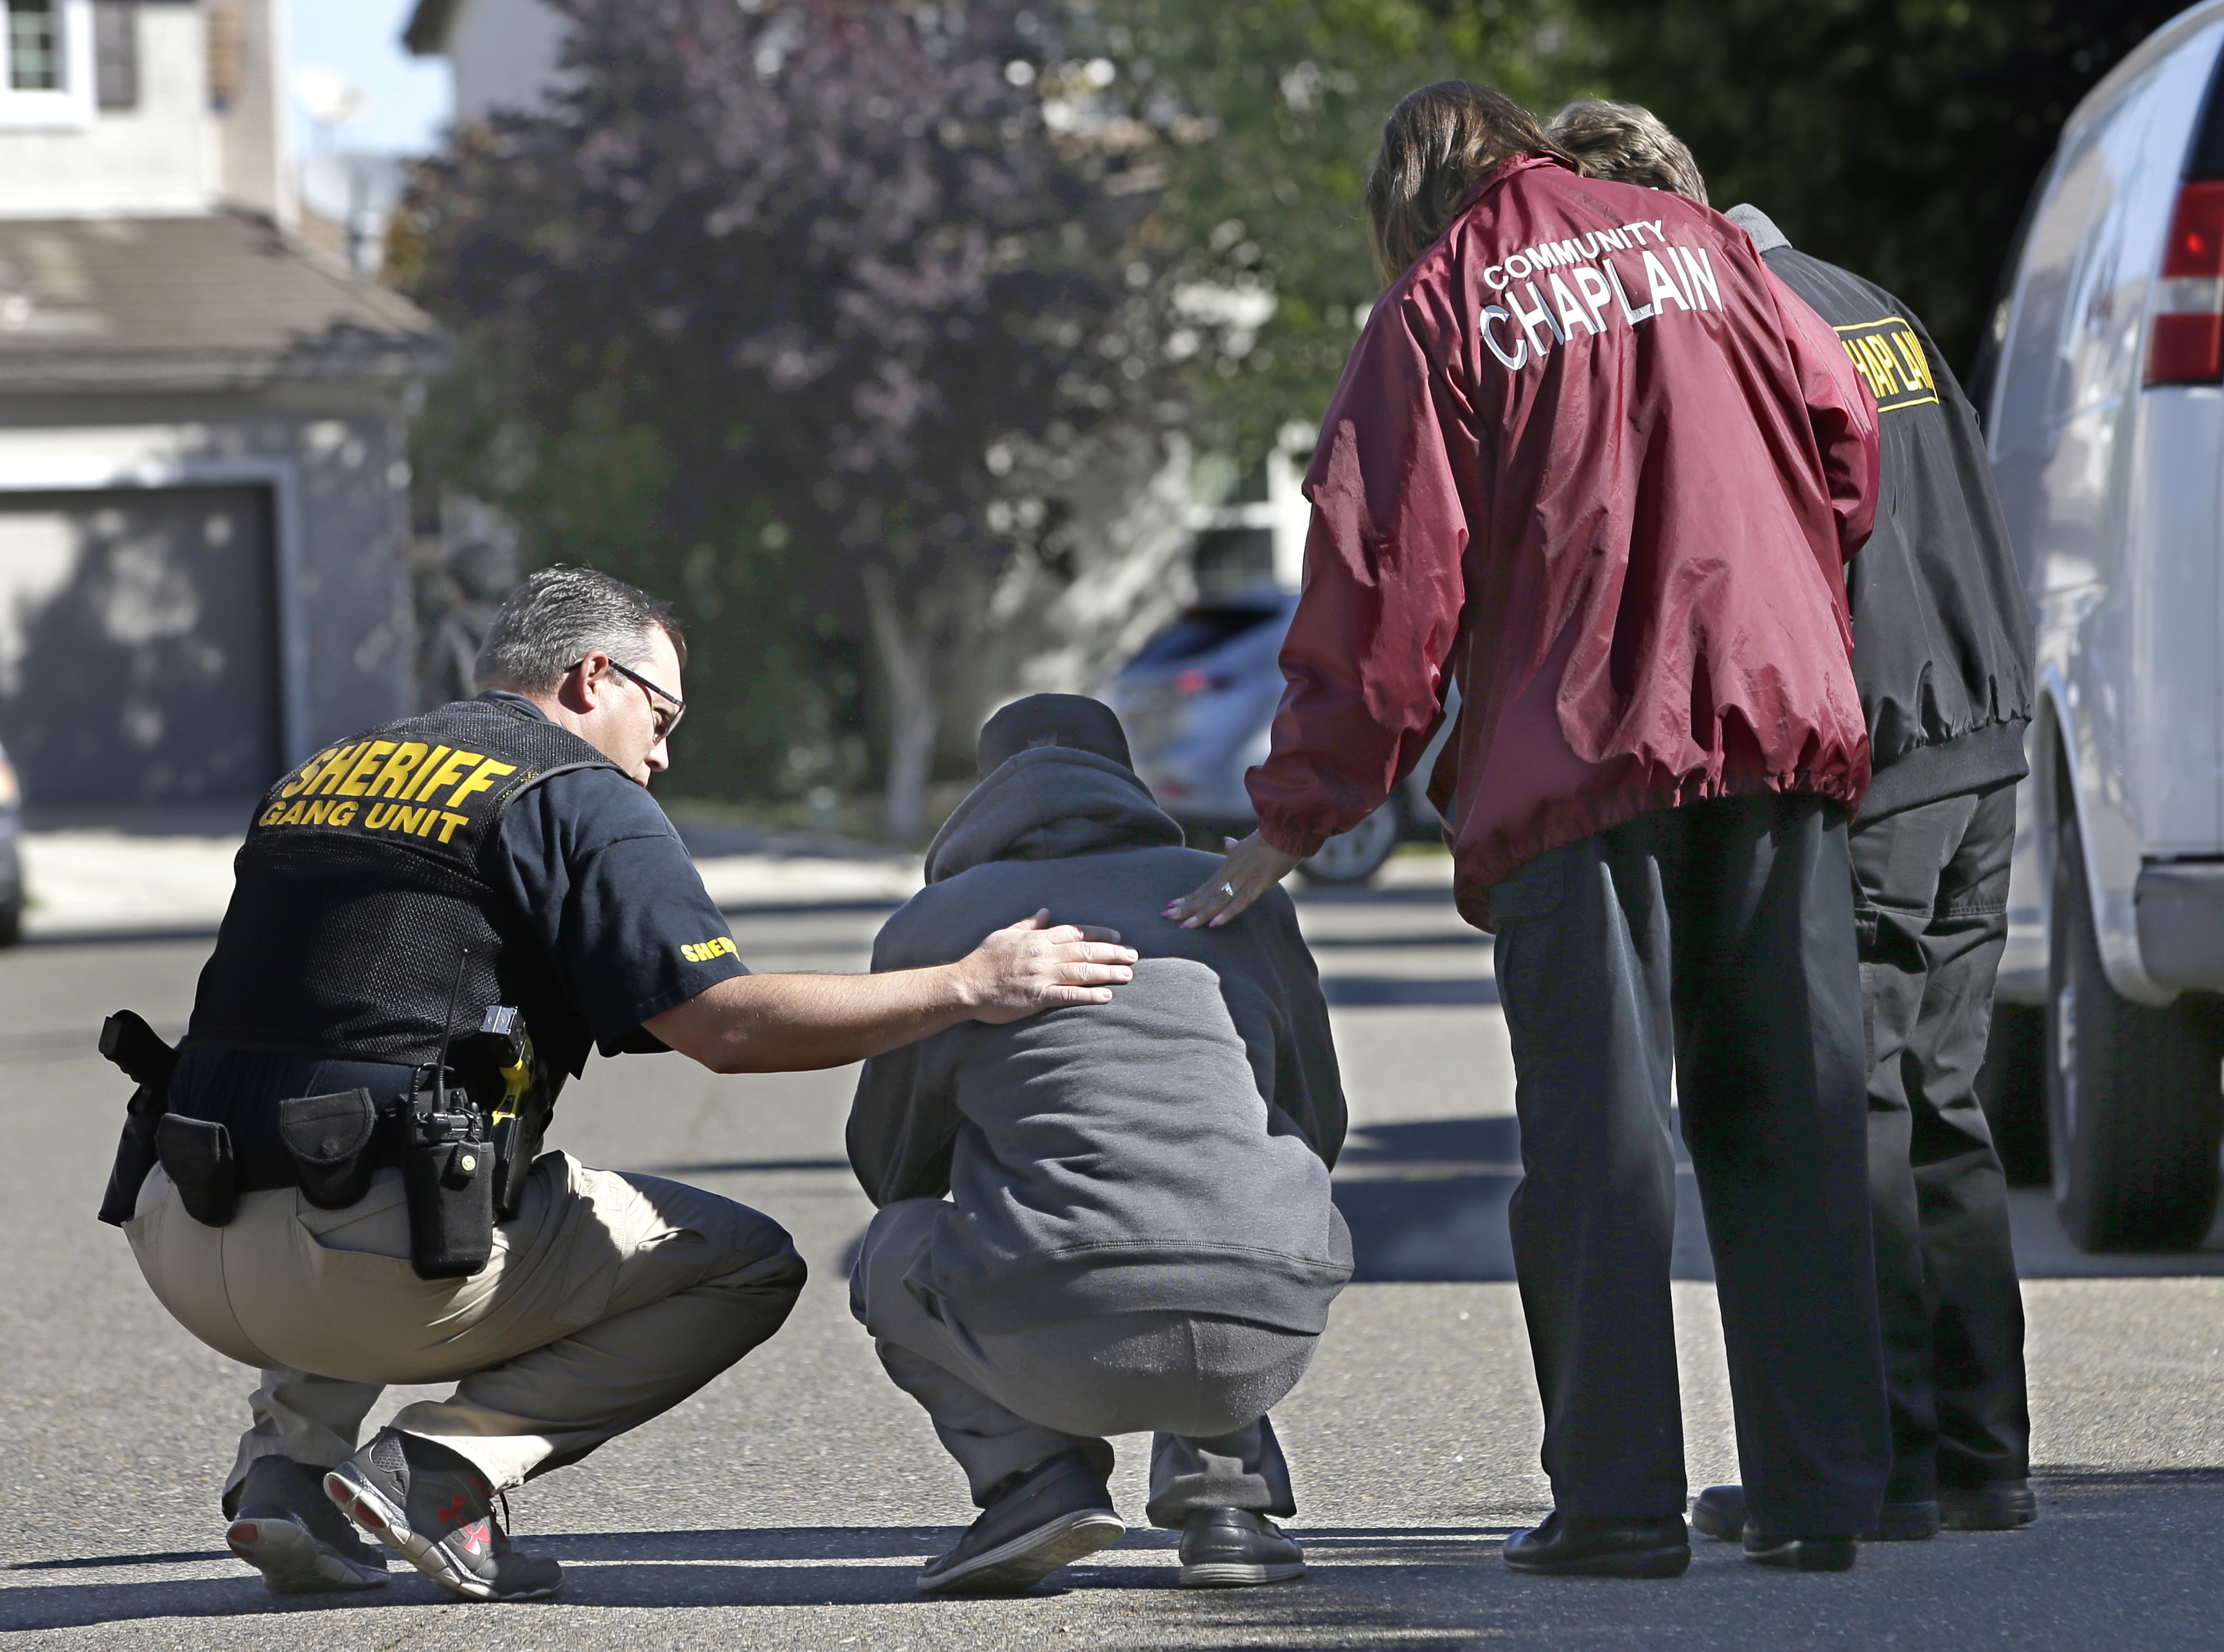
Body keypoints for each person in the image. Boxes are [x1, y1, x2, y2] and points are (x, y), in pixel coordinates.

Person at [1166, 82, 1893, 1576]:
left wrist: (1296, 816)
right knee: (1797, 1112)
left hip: (1577, 761)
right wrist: (1782, 593)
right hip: (1772, 727)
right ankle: (1822, 1490)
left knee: (1597, 1143)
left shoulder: (1438, 307)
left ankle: (1618, 1502)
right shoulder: (1704, 242)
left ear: (1409, 197)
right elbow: (1846, 438)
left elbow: (1383, 577)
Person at [116, 567, 1137, 1603]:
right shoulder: (574, 791)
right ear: (591, 676)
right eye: (662, 716)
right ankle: (448, 1465)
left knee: (344, 1121)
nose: (661, 754)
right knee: (744, 1264)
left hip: (182, 1233)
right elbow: (726, 1028)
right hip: (381, 1258)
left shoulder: (326, 772)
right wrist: (968, 985)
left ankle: (288, 1476)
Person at [1547, 98, 2038, 1543]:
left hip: (1874, 735)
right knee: (1941, 1098)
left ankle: (1879, 1462)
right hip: (1980, 724)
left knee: (1848, 1102)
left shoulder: (1735, 321)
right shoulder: (1863, 298)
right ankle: (1980, 1454)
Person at [848, 695, 1351, 1594]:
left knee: (891, 1249)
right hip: (1267, 1314)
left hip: (1054, 1328)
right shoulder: (1230, 890)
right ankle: (1231, 1509)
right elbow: (1316, 1114)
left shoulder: (937, 924)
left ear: (984, 794)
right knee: (1212, 1188)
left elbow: (892, 1167)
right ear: (1124, 781)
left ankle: (1035, 1480)